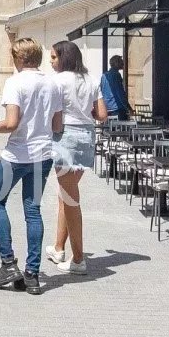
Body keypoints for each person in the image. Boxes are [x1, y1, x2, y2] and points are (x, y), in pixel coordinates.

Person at [0, 37, 65, 294]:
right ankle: (32, 275)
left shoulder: (14, 83)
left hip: (16, 156)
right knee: (33, 211)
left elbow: (12, 122)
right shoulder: (52, 84)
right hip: (43, 155)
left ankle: (8, 263)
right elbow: (57, 126)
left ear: (19, 58)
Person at [46, 40, 105, 275]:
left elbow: (56, 118)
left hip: (65, 136)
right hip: (87, 136)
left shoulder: (58, 81)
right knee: (66, 194)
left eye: (53, 57)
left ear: (64, 58)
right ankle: (58, 248)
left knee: (70, 198)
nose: (51, 62)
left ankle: (79, 259)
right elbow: (102, 114)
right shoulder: (91, 80)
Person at [99, 55, 129, 121]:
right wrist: (127, 107)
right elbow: (120, 93)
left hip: (107, 108)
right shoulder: (116, 75)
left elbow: (101, 91)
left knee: (108, 126)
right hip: (117, 108)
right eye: (121, 61)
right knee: (122, 126)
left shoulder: (104, 76)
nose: (123, 63)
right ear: (116, 63)